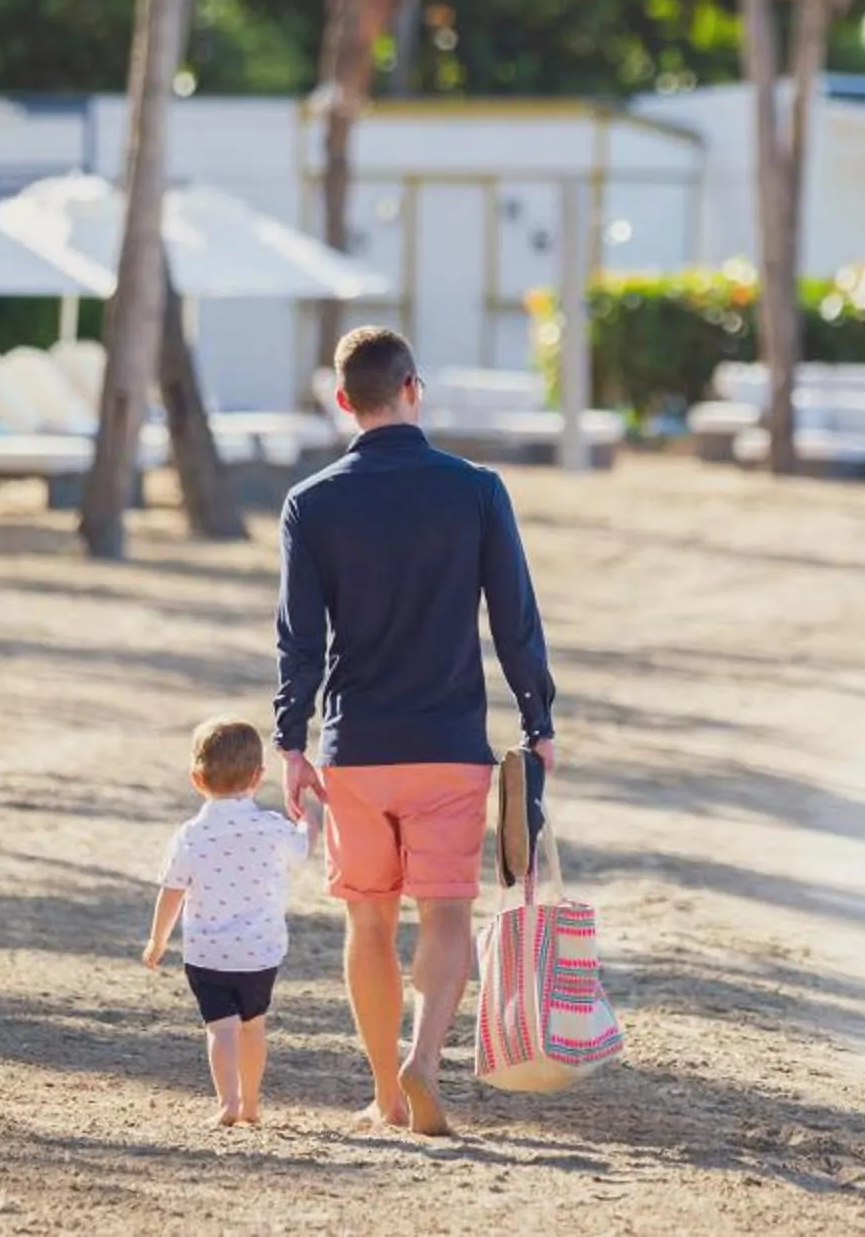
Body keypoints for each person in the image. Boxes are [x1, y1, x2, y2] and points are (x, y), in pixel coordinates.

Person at [274, 327, 557, 1137]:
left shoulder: (311, 502)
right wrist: (537, 718)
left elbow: (298, 637)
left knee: (368, 921)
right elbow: (514, 617)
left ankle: (385, 1096)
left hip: (356, 749)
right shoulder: (477, 489)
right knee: (445, 917)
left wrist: (290, 741)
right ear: (413, 389)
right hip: (448, 747)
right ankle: (424, 1060)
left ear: (343, 401)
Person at [142, 717, 316, 1126]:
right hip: (260, 953)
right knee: (253, 1027)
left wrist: (157, 940)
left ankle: (228, 1103)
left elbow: (172, 891)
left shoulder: (190, 835)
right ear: (258, 776)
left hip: (207, 954)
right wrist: (308, 820)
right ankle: (251, 1104)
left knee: (220, 1030)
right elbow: (301, 851)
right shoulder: (272, 828)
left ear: (196, 779)